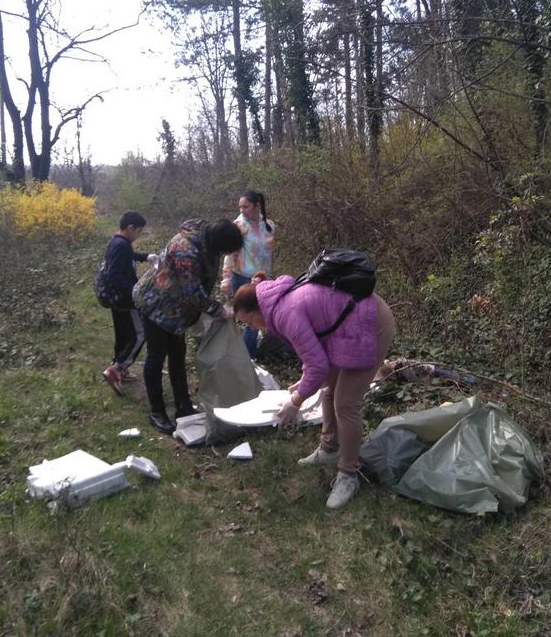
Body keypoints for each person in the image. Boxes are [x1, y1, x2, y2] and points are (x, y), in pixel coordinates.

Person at [233, 273, 395, 510]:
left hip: (371, 323)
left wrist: (296, 401)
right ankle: (329, 448)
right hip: (350, 328)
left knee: (346, 403)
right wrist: (304, 380)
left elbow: (318, 365)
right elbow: (316, 347)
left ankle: (348, 475)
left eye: (248, 322)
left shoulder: (284, 313)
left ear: (257, 309)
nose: (252, 328)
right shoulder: (279, 302)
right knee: (330, 388)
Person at [134, 218, 243, 435]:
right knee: (157, 356)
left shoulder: (207, 241)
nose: (225, 255)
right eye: (226, 251)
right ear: (218, 242)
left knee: (177, 353)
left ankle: (183, 405)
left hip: (176, 309)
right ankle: (157, 411)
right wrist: (219, 310)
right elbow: (192, 291)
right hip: (155, 303)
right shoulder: (185, 251)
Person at [101, 211, 157, 396]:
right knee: (139, 333)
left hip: (117, 298)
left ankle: (121, 368)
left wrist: (145, 256)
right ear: (131, 228)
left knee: (123, 334)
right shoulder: (122, 245)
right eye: (139, 231)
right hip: (125, 299)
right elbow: (114, 275)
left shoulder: (118, 242)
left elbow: (128, 257)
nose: (138, 235)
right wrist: (135, 290)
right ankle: (116, 369)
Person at [220, 190, 275, 358]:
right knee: (250, 320)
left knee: (258, 319)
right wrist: (226, 277)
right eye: (240, 207)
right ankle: (247, 360)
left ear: (257, 206)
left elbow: (268, 253)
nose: (242, 210)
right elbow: (230, 253)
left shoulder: (270, 226)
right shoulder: (238, 226)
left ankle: (247, 356)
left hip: (262, 279)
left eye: (246, 206)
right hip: (242, 277)